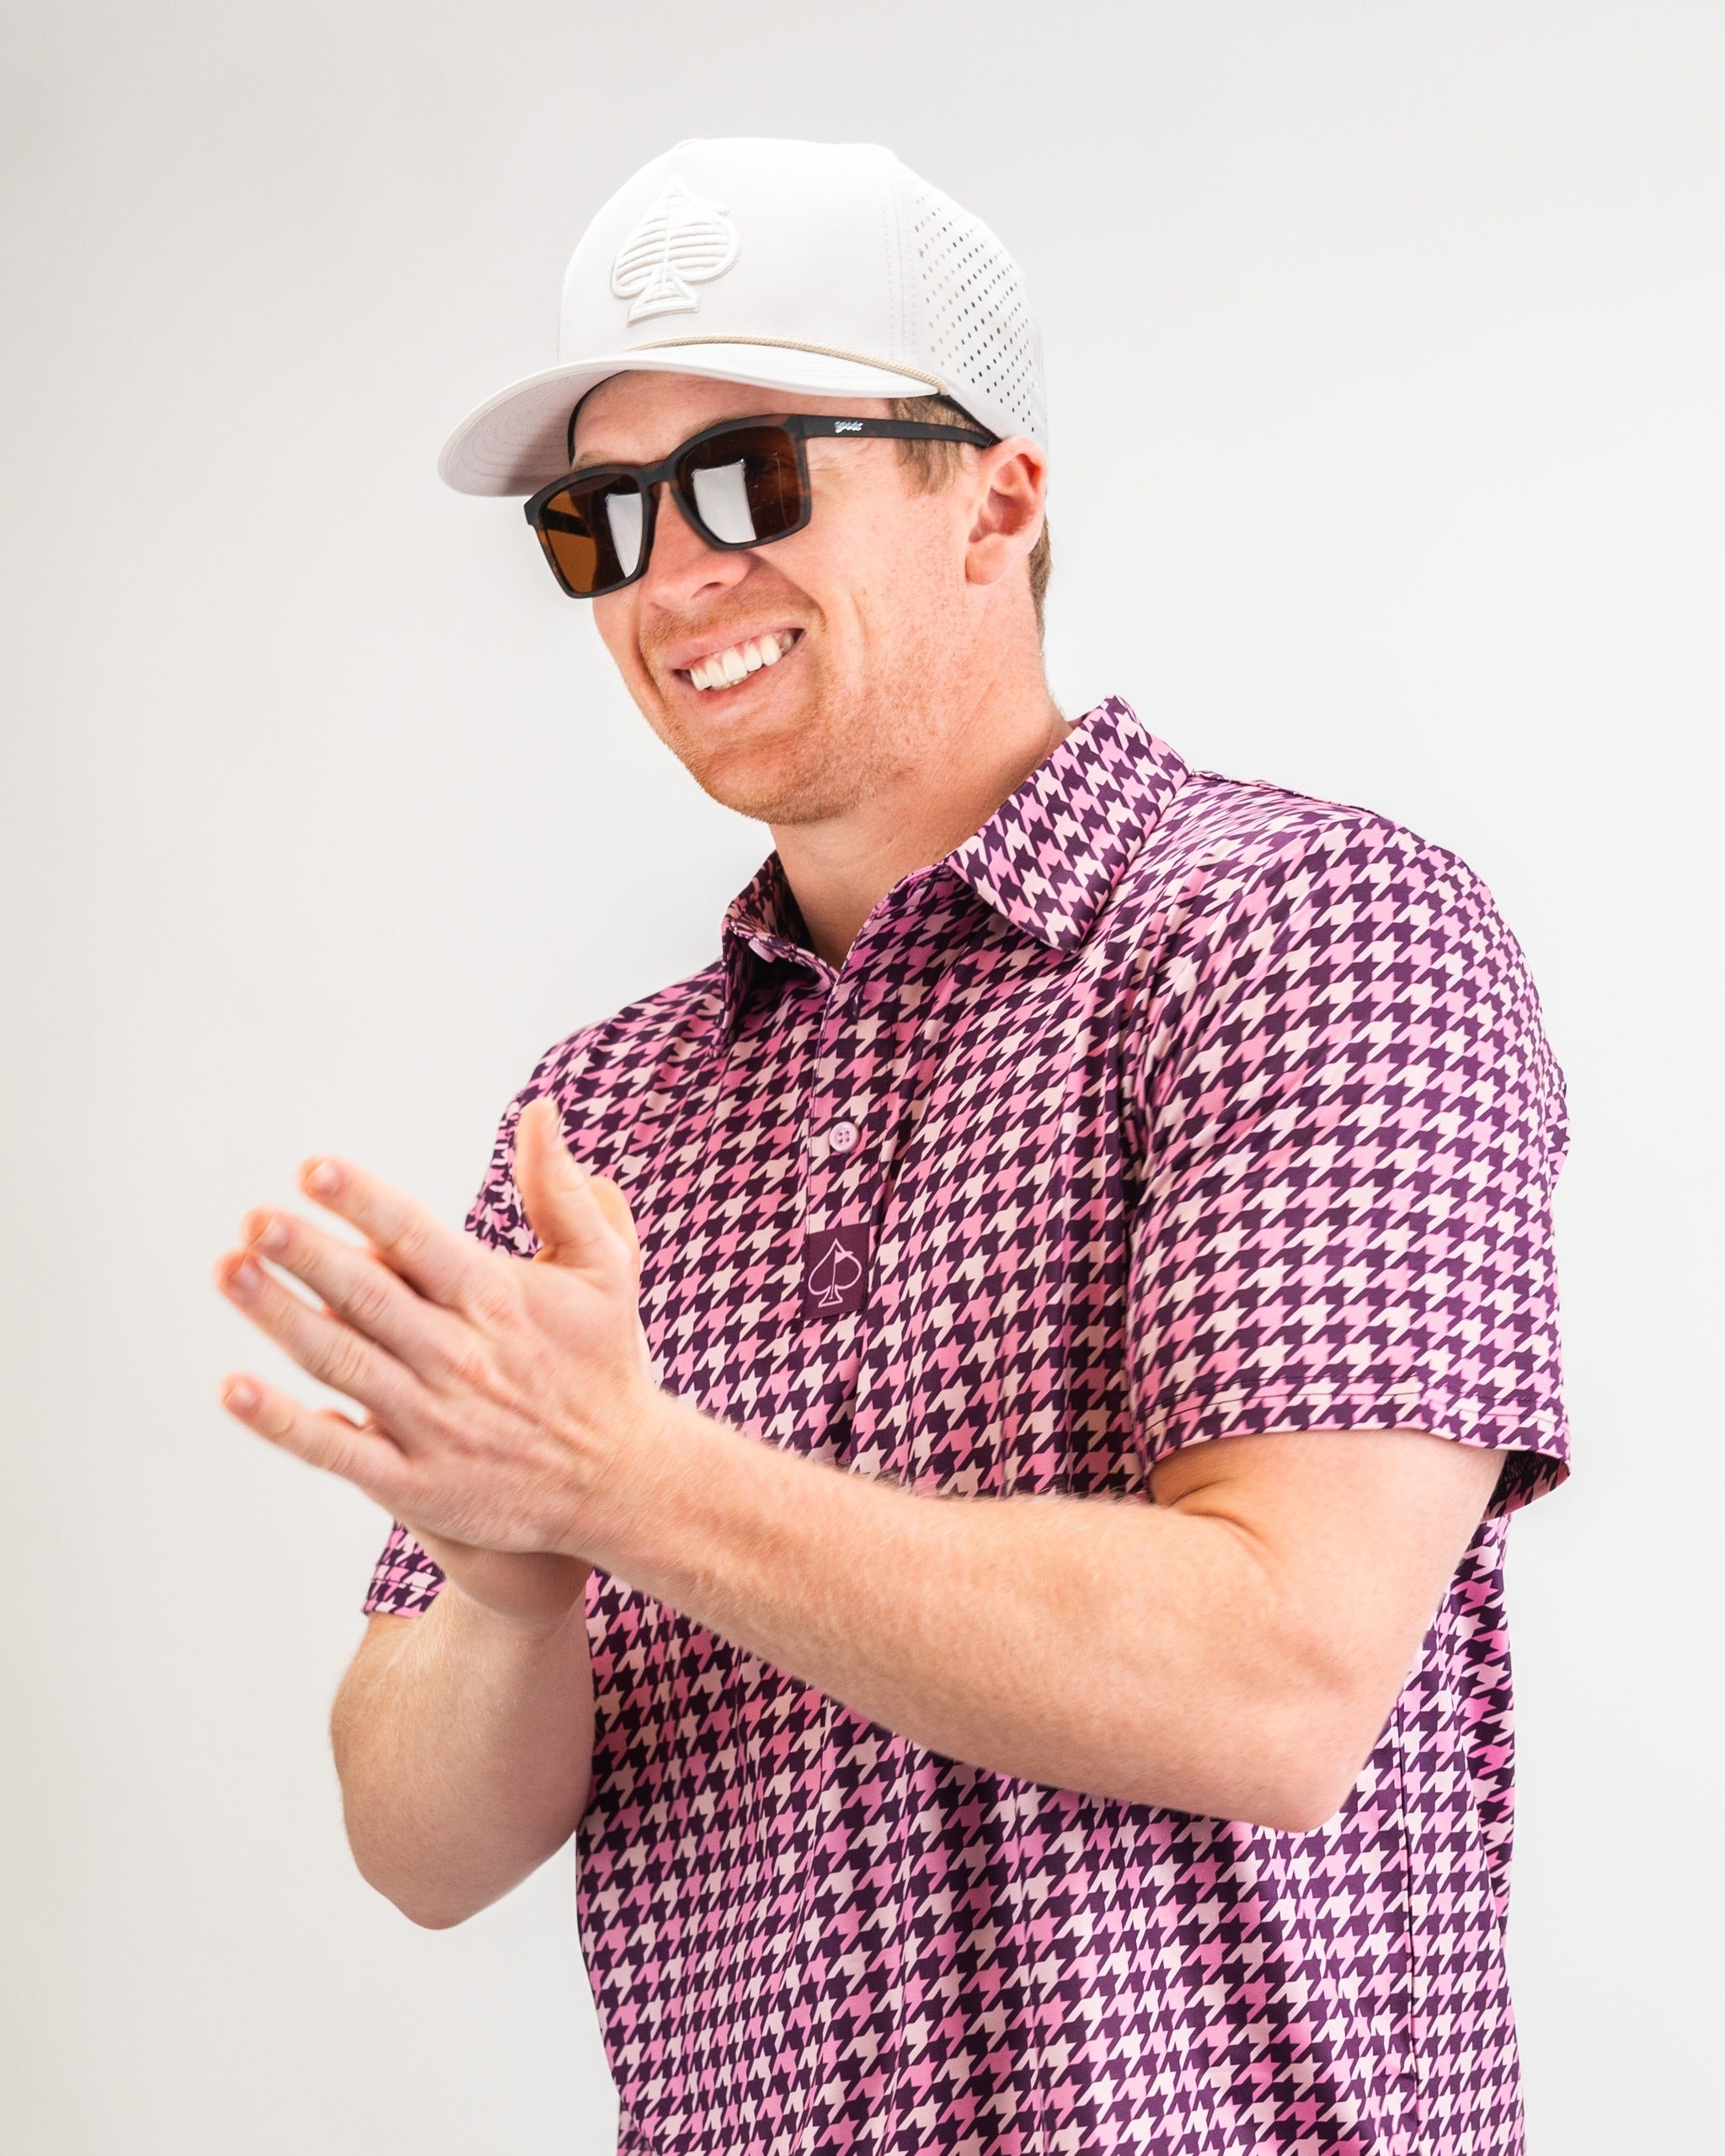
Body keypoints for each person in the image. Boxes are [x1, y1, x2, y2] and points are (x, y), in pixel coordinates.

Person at [212, 138, 1569, 2156]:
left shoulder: (1310, 932)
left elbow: (1273, 1684)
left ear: (993, 498)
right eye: (603, 518)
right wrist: (507, 1575)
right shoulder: (608, 1117)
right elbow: (417, 1844)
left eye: (753, 478)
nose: (673, 579)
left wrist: (628, 1479)